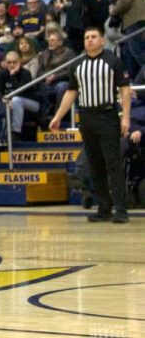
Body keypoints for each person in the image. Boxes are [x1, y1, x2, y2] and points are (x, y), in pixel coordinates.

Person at [49, 27, 132, 224]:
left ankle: (121, 210)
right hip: (85, 117)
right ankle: (104, 208)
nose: (90, 40)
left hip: (107, 115)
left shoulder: (113, 61)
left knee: (113, 164)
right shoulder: (77, 64)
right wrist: (58, 117)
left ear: (102, 40)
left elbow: (125, 90)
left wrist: (126, 117)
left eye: (94, 37)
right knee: (95, 165)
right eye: (86, 37)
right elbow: (71, 92)